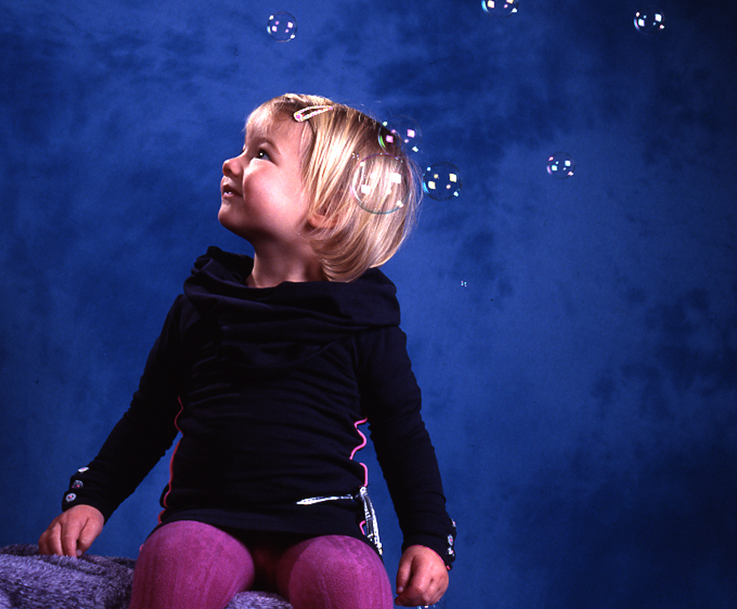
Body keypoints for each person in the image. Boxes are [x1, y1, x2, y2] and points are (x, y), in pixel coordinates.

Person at [39, 94, 456, 609]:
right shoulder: (203, 304)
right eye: (243, 149)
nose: (230, 163)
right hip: (206, 519)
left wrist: (428, 537)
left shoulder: (363, 320)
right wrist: (94, 498)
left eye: (261, 154)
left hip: (322, 527)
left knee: (352, 581)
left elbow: (403, 436)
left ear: (325, 208)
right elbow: (148, 417)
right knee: (172, 566)